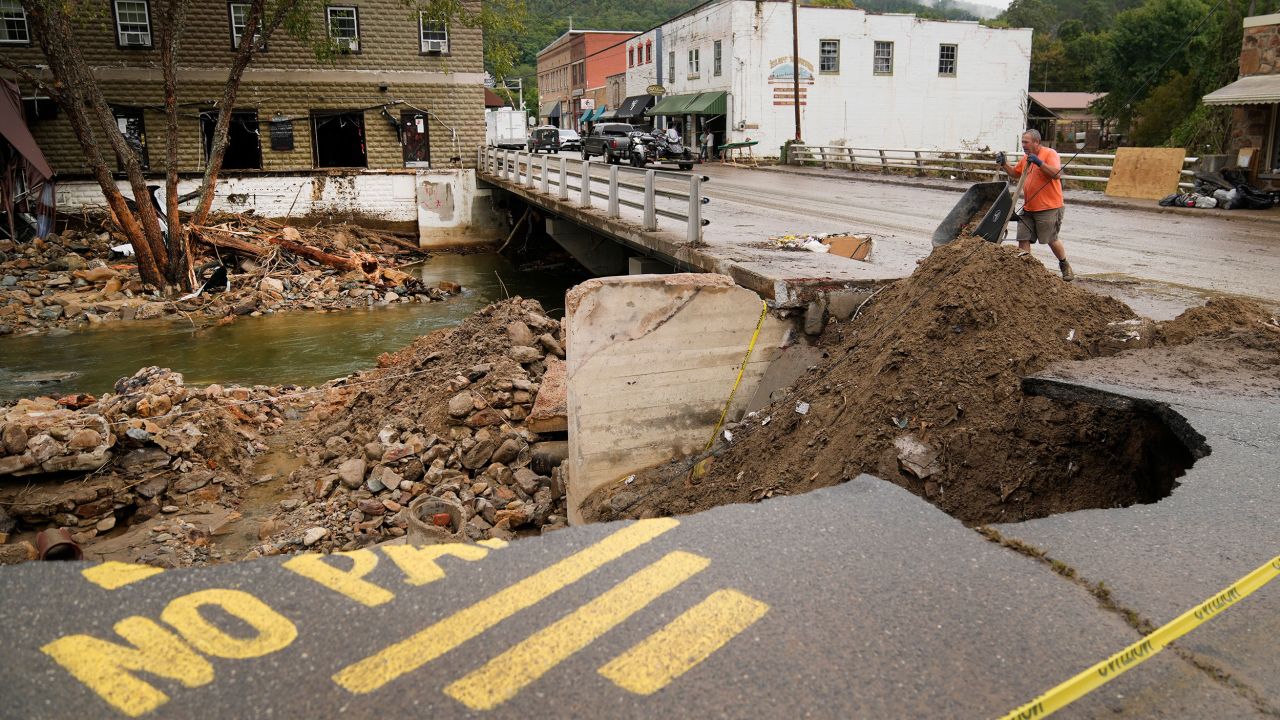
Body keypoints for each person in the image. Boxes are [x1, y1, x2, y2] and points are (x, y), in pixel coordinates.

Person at [996, 129, 1074, 281]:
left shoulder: (1049, 154)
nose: (1023, 145)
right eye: (1023, 142)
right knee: (1023, 238)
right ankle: (1025, 271)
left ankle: (1064, 264)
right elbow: (1014, 173)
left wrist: (1039, 162)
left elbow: (1057, 174)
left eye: (1026, 142)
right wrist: (1004, 163)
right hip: (1029, 207)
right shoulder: (1026, 158)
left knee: (1051, 239)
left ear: (1037, 142)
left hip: (1049, 207)